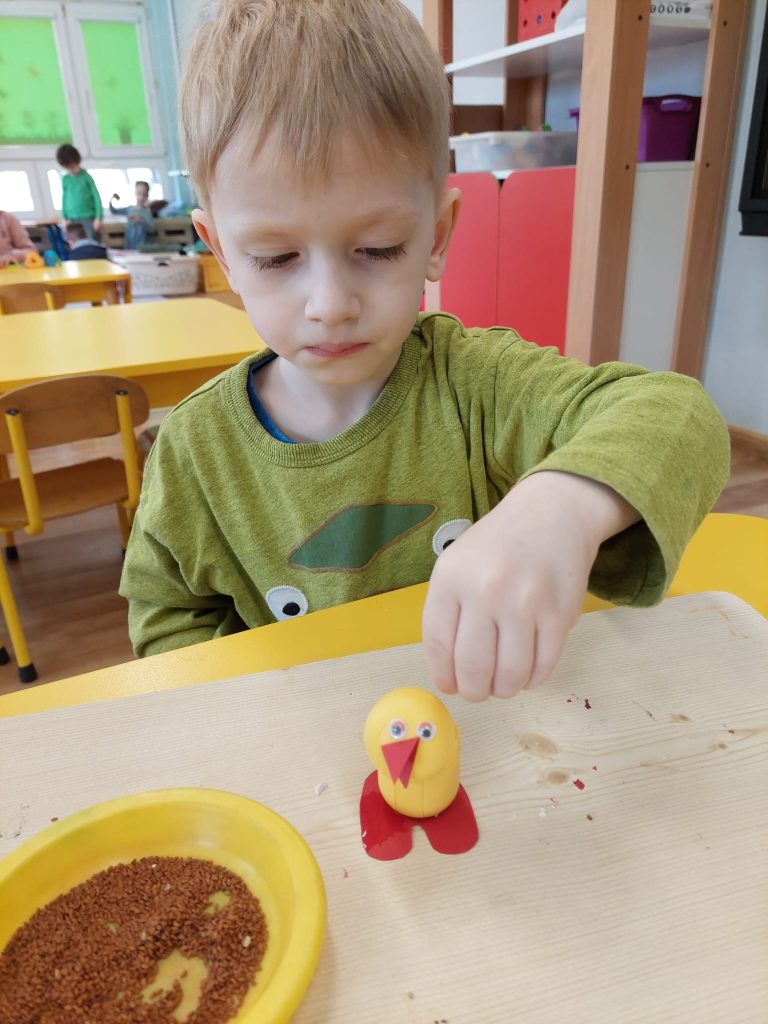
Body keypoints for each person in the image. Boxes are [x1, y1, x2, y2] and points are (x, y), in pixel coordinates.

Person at [120, 0, 730, 703]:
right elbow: (168, 614)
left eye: (379, 248)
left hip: (484, 722)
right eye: (277, 257)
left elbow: (678, 416)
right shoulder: (196, 449)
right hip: (299, 738)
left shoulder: (476, 385)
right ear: (222, 251)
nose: (330, 303)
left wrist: (561, 509)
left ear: (436, 236)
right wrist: (234, 709)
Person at [55, 143, 102, 241]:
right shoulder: (65, 179)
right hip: (71, 219)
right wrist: (64, 217)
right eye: (68, 168)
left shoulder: (86, 177)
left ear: (78, 161)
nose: (71, 170)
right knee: (75, 243)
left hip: (88, 218)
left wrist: (98, 218)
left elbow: (97, 198)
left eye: (73, 167)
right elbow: (64, 198)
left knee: (91, 242)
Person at [109, 180, 157, 250]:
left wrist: (140, 220)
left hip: (142, 247)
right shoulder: (129, 209)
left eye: (144, 195)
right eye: (139, 193)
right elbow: (114, 211)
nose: (141, 197)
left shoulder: (147, 211)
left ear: (147, 196)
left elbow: (152, 229)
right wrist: (111, 201)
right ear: (135, 193)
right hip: (129, 246)